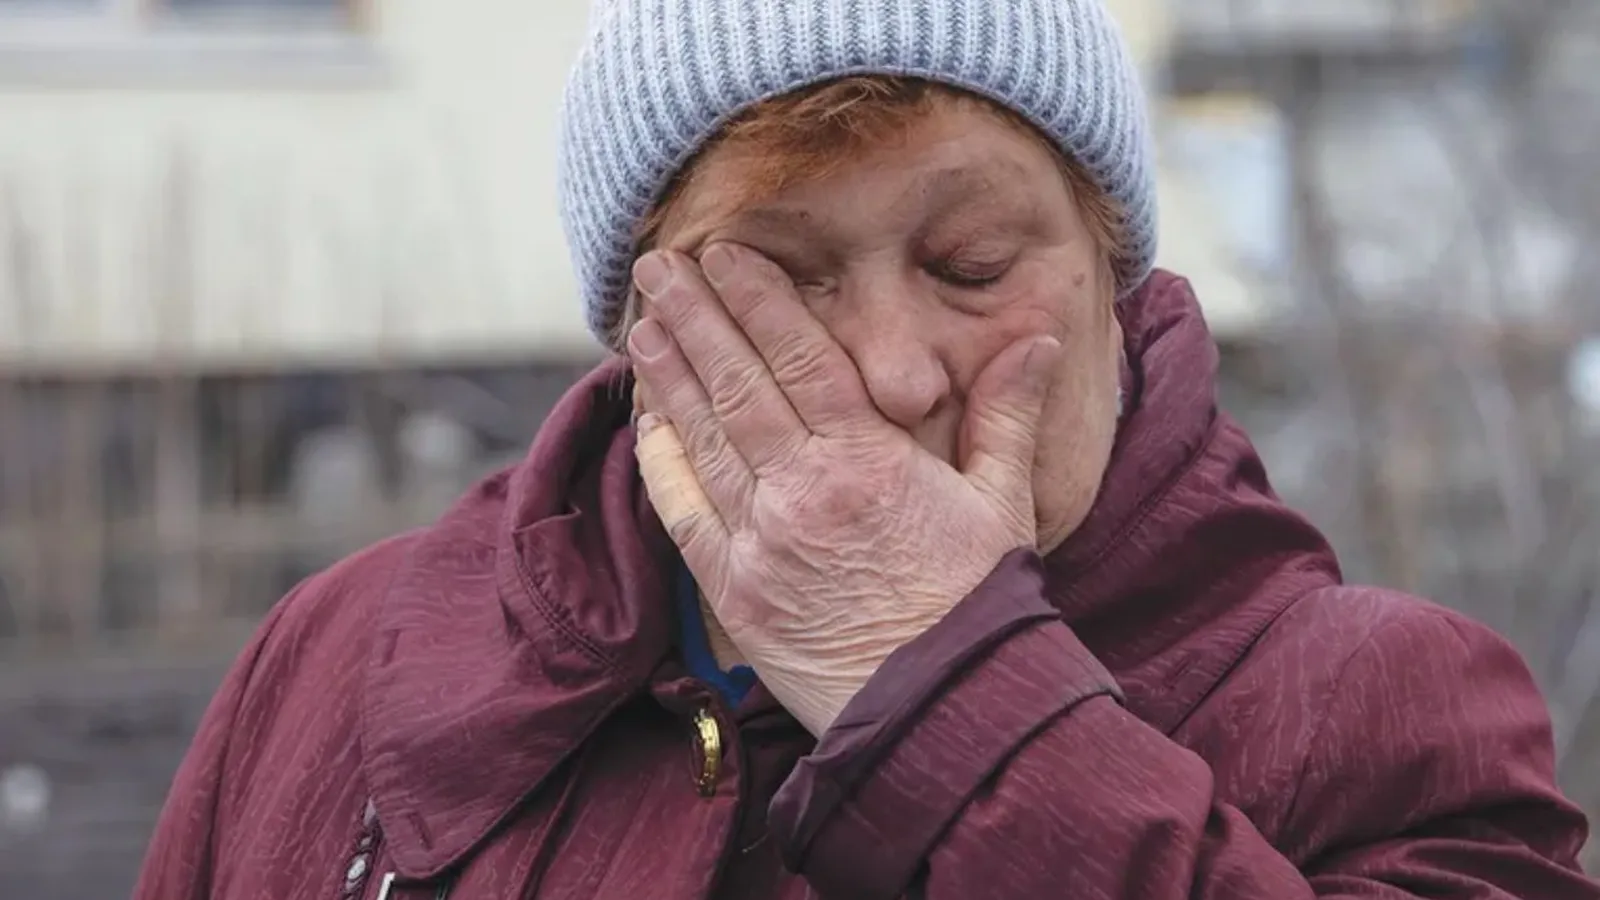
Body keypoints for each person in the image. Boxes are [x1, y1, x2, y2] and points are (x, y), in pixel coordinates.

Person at [135, 1, 1597, 898]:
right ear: (641, 328)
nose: (893, 373)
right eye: (783, 278)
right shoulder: (345, 657)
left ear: (1114, 279)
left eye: (972, 266)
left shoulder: (1380, 711)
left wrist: (950, 696)